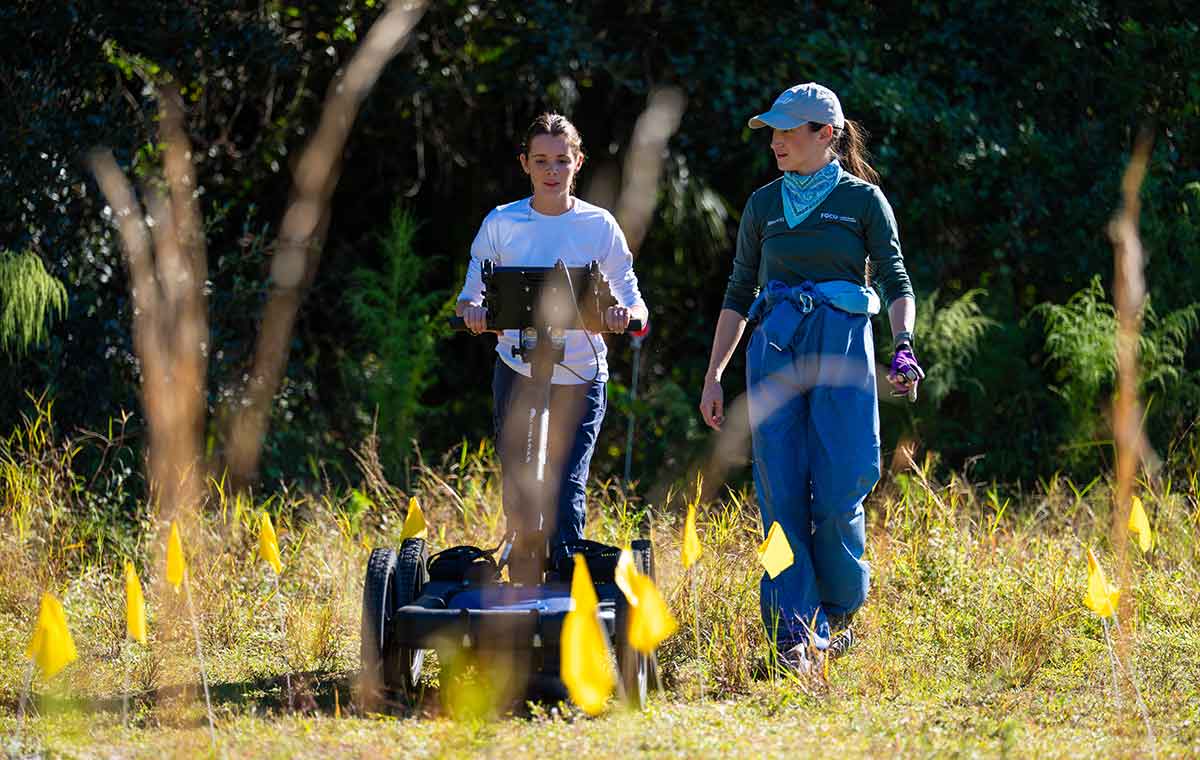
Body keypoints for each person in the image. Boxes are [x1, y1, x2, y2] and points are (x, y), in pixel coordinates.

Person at [698, 83, 924, 674]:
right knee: (778, 494)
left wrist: (903, 347)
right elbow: (739, 290)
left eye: (788, 130)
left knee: (844, 481)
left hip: (843, 349)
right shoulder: (763, 205)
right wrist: (715, 373)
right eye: (772, 131)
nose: (775, 141)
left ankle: (838, 609)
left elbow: (898, 282)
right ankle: (791, 630)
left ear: (827, 134)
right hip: (774, 350)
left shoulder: (864, 202)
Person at [457, 113, 648, 579]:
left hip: (580, 374)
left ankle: (567, 581)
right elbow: (469, 297)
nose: (551, 170)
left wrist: (626, 316)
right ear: (525, 163)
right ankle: (522, 577)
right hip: (519, 370)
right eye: (541, 160)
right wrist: (475, 314)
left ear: (577, 163)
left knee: (566, 485)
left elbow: (633, 298)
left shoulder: (598, 225)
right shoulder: (501, 223)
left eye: (562, 160)